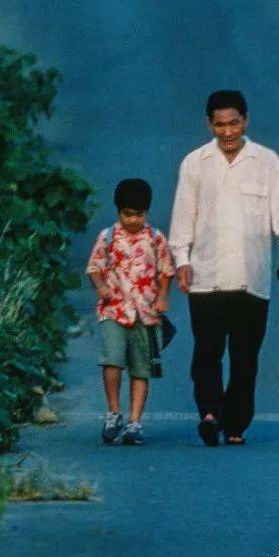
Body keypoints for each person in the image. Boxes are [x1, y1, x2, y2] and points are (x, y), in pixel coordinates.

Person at [169, 90, 279, 447]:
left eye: (233, 123)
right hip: (206, 276)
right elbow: (183, 218)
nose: (227, 132)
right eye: (219, 125)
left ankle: (235, 424)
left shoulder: (266, 162)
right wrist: (181, 261)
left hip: (252, 278)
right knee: (207, 350)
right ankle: (210, 414)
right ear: (209, 124)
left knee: (245, 357)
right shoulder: (195, 163)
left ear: (245, 121)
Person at [86, 178, 175, 446]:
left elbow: (166, 271)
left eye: (139, 214)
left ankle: (135, 421)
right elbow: (94, 268)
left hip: (145, 313)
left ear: (146, 212)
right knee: (112, 361)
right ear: (118, 211)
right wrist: (101, 286)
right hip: (114, 309)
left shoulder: (155, 238)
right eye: (128, 214)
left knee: (141, 369)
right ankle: (113, 413)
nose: (133, 220)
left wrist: (162, 297)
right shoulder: (108, 237)